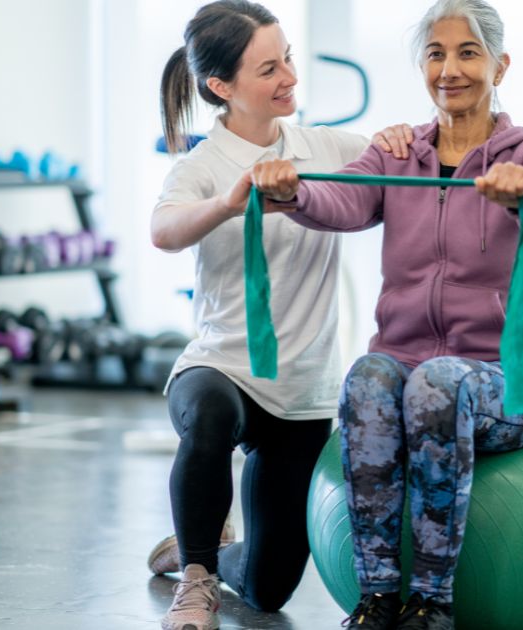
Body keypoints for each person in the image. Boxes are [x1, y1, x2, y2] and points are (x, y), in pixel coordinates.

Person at [251, 1, 523, 627]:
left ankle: (432, 603)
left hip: (514, 382)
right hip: (410, 371)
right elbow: (339, 197)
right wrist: (292, 190)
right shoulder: (397, 154)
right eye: (435, 53)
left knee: (434, 385)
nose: (449, 68)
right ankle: (376, 598)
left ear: (500, 65)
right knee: (371, 376)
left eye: (468, 52)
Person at [149, 2, 411, 629]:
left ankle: (199, 551)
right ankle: (196, 577)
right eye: (269, 68)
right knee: (208, 416)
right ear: (222, 87)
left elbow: (400, 163)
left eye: (288, 57)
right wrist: (227, 203)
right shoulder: (201, 167)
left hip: (302, 391)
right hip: (223, 368)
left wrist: (404, 140)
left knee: (268, 591)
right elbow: (163, 230)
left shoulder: (325, 147)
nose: (290, 76)